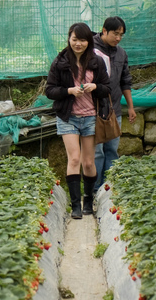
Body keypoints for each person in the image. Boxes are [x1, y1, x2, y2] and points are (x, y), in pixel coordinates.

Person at [46, 23, 111, 219]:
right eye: (74, 39)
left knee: (89, 163)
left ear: (88, 41)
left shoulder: (97, 62)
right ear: (69, 39)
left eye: (82, 40)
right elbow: (50, 90)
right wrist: (69, 91)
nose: (78, 43)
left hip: (90, 117)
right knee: (74, 159)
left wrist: (95, 86)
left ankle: (87, 200)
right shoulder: (60, 62)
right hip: (68, 117)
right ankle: (75, 205)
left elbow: (107, 88)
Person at [93, 16, 136, 193]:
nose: (118, 38)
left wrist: (131, 107)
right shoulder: (90, 49)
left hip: (114, 109)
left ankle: (108, 190)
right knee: (97, 152)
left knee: (112, 150)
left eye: (121, 35)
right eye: (115, 34)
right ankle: (94, 189)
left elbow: (125, 81)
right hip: (93, 110)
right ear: (104, 31)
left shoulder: (121, 53)